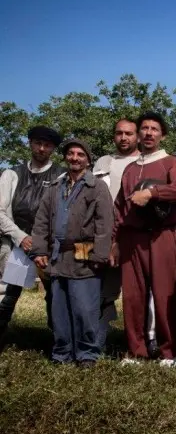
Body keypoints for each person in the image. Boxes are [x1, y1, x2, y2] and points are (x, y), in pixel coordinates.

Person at [112, 112, 176, 366]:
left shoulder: (171, 163)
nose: (148, 133)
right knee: (133, 296)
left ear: (162, 135)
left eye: (154, 129)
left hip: (161, 235)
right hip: (131, 238)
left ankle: (169, 352)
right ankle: (137, 350)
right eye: (144, 128)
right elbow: (120, 208)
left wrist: (152, 193)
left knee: (165, 293)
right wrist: (115, 241)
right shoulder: (130, 168)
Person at [31, 138, 113, 366]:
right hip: (58, 256)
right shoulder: (54, 188)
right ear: (66, 157)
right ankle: (62, 353)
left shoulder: (97, 187)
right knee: (59, 309)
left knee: (85, 308)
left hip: (85, 253)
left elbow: (105, 224)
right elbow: (41, 221)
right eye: (71, 153)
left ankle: (87, 354)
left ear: (88, 159)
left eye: (80, 154)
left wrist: (100, 255)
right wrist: (39, 249)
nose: (75, 158)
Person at [0, 126, 63, 340]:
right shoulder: (12, 174)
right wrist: (21, 237)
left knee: (54, 294)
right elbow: (0, 211)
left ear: (53, 148)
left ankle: (58, 341)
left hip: (49, 248)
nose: (42, 148)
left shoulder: (61, 175)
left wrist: (43, 242)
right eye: (38, 143)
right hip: (19, 246)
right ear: (30, 143)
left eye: (47, 145)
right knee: (9, 293)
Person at [92, 118, 142, 352]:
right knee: (103, 292)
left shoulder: (145, 162)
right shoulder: (103, 161)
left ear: (137, 136)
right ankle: (98, 341)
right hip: (103, 236)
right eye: (119, 133)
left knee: (138, 293)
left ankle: (142, 343)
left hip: (135, 238)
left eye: (129, 133)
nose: (123, 138)